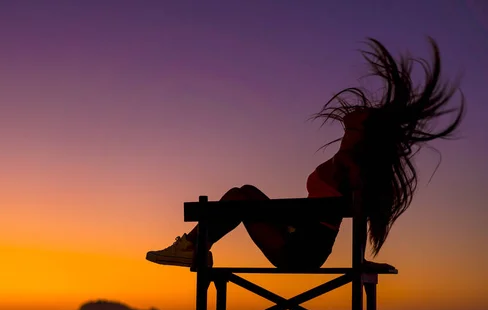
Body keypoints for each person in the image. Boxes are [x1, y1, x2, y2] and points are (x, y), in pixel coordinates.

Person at [146, 37, 465, 270]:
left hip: (300, 250)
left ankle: (193, 248)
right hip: (296, 234)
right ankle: (194, 248)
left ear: (364, 130)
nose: (361, 107)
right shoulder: (344, 158)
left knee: (238, 199)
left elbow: (358, 204)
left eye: (366, 113)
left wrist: (360, 261)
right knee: (242, 192)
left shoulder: (352, 164)